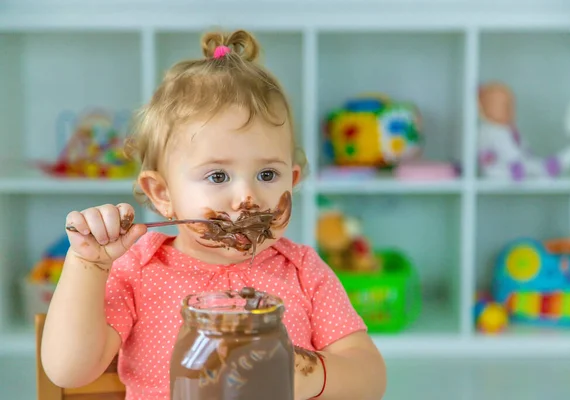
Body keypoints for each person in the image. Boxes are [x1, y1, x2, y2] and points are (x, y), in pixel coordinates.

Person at [41, 29, 386, 400]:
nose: (247, 197)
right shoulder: (139, 270)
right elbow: (69, 370)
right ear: (163, 194)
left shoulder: (303, 271)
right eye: (218, 175)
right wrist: (88, 266)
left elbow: (370, 379)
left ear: (294, 179)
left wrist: (304, 373)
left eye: (267, 174)